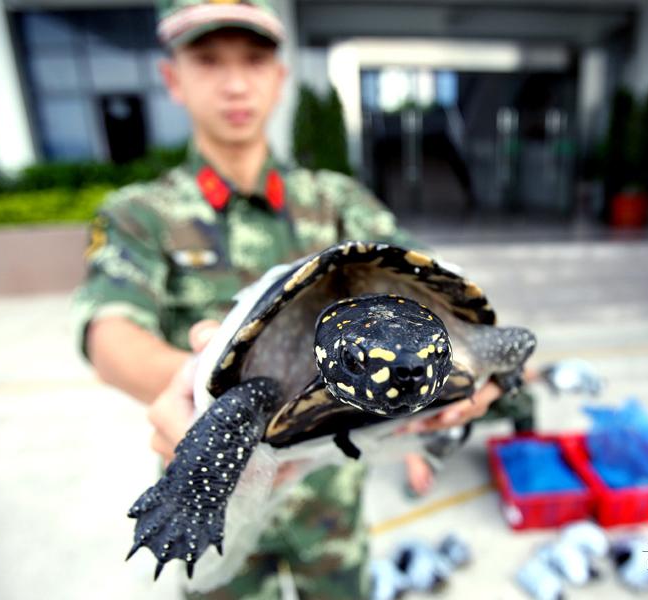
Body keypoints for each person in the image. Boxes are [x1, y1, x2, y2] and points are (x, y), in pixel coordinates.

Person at [72, 1, 506, 597]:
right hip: (218, 466)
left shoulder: (338, 201)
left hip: (331, 495)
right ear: (172, 78)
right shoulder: (141, 214)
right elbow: (109, 332)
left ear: (279, 78)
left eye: (254, 60)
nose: (234, 83)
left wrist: (450, 395)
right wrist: (201, 390)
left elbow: (431, 293)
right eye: (208, 60)